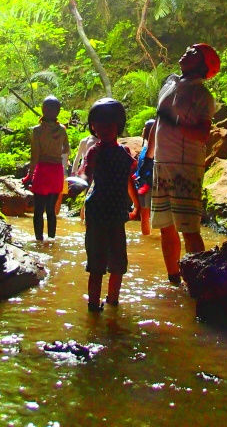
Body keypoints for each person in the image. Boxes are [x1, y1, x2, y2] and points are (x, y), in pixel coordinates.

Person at [148, 43, 220, 284]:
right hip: (162, 162)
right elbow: (159, 121)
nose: (185, 53)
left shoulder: (203, 96)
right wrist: (148, 157)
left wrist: (177, 124)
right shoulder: (169, 83)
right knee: (165, 225)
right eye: (186, 49)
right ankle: (173, 278)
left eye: (192, 53)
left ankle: (200, 282)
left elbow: (203, 134)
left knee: (189, 228)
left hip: (185, 166)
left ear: (201, 65)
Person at [80, 97, 139, 312]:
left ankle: (113, 300)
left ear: (118, 126)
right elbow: (86, 175)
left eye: (109, 124)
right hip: (97, 213)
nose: (104, 129)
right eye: (99, 124)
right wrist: (79, 184)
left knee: (118, 264)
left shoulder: (125, 154)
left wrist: (137, 204)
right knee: (96, 265)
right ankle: (93, 305)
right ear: (93, 126)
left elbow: (128, 180)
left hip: (116, 214)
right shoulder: (94, 151)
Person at [22, 96, 70, 241]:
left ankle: (38, 240)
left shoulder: (37, 130)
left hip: (43, 171)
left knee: (38, 211)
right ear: (58, 111)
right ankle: (51, 240)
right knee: (51, 210)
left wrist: (30, 175)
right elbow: (66, 149)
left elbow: (34, 155)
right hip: (56, 172)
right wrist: (55, 152)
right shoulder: (62, 130)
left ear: (43, 110)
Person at [133, 118, 156, 235]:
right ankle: (149, 237)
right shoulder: (146, 147)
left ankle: (147, 236)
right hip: (145, 183)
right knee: (146, 214)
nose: (143, 130)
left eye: (145, 128)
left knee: (145, 214)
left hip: (148, 184)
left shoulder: (151, 148)